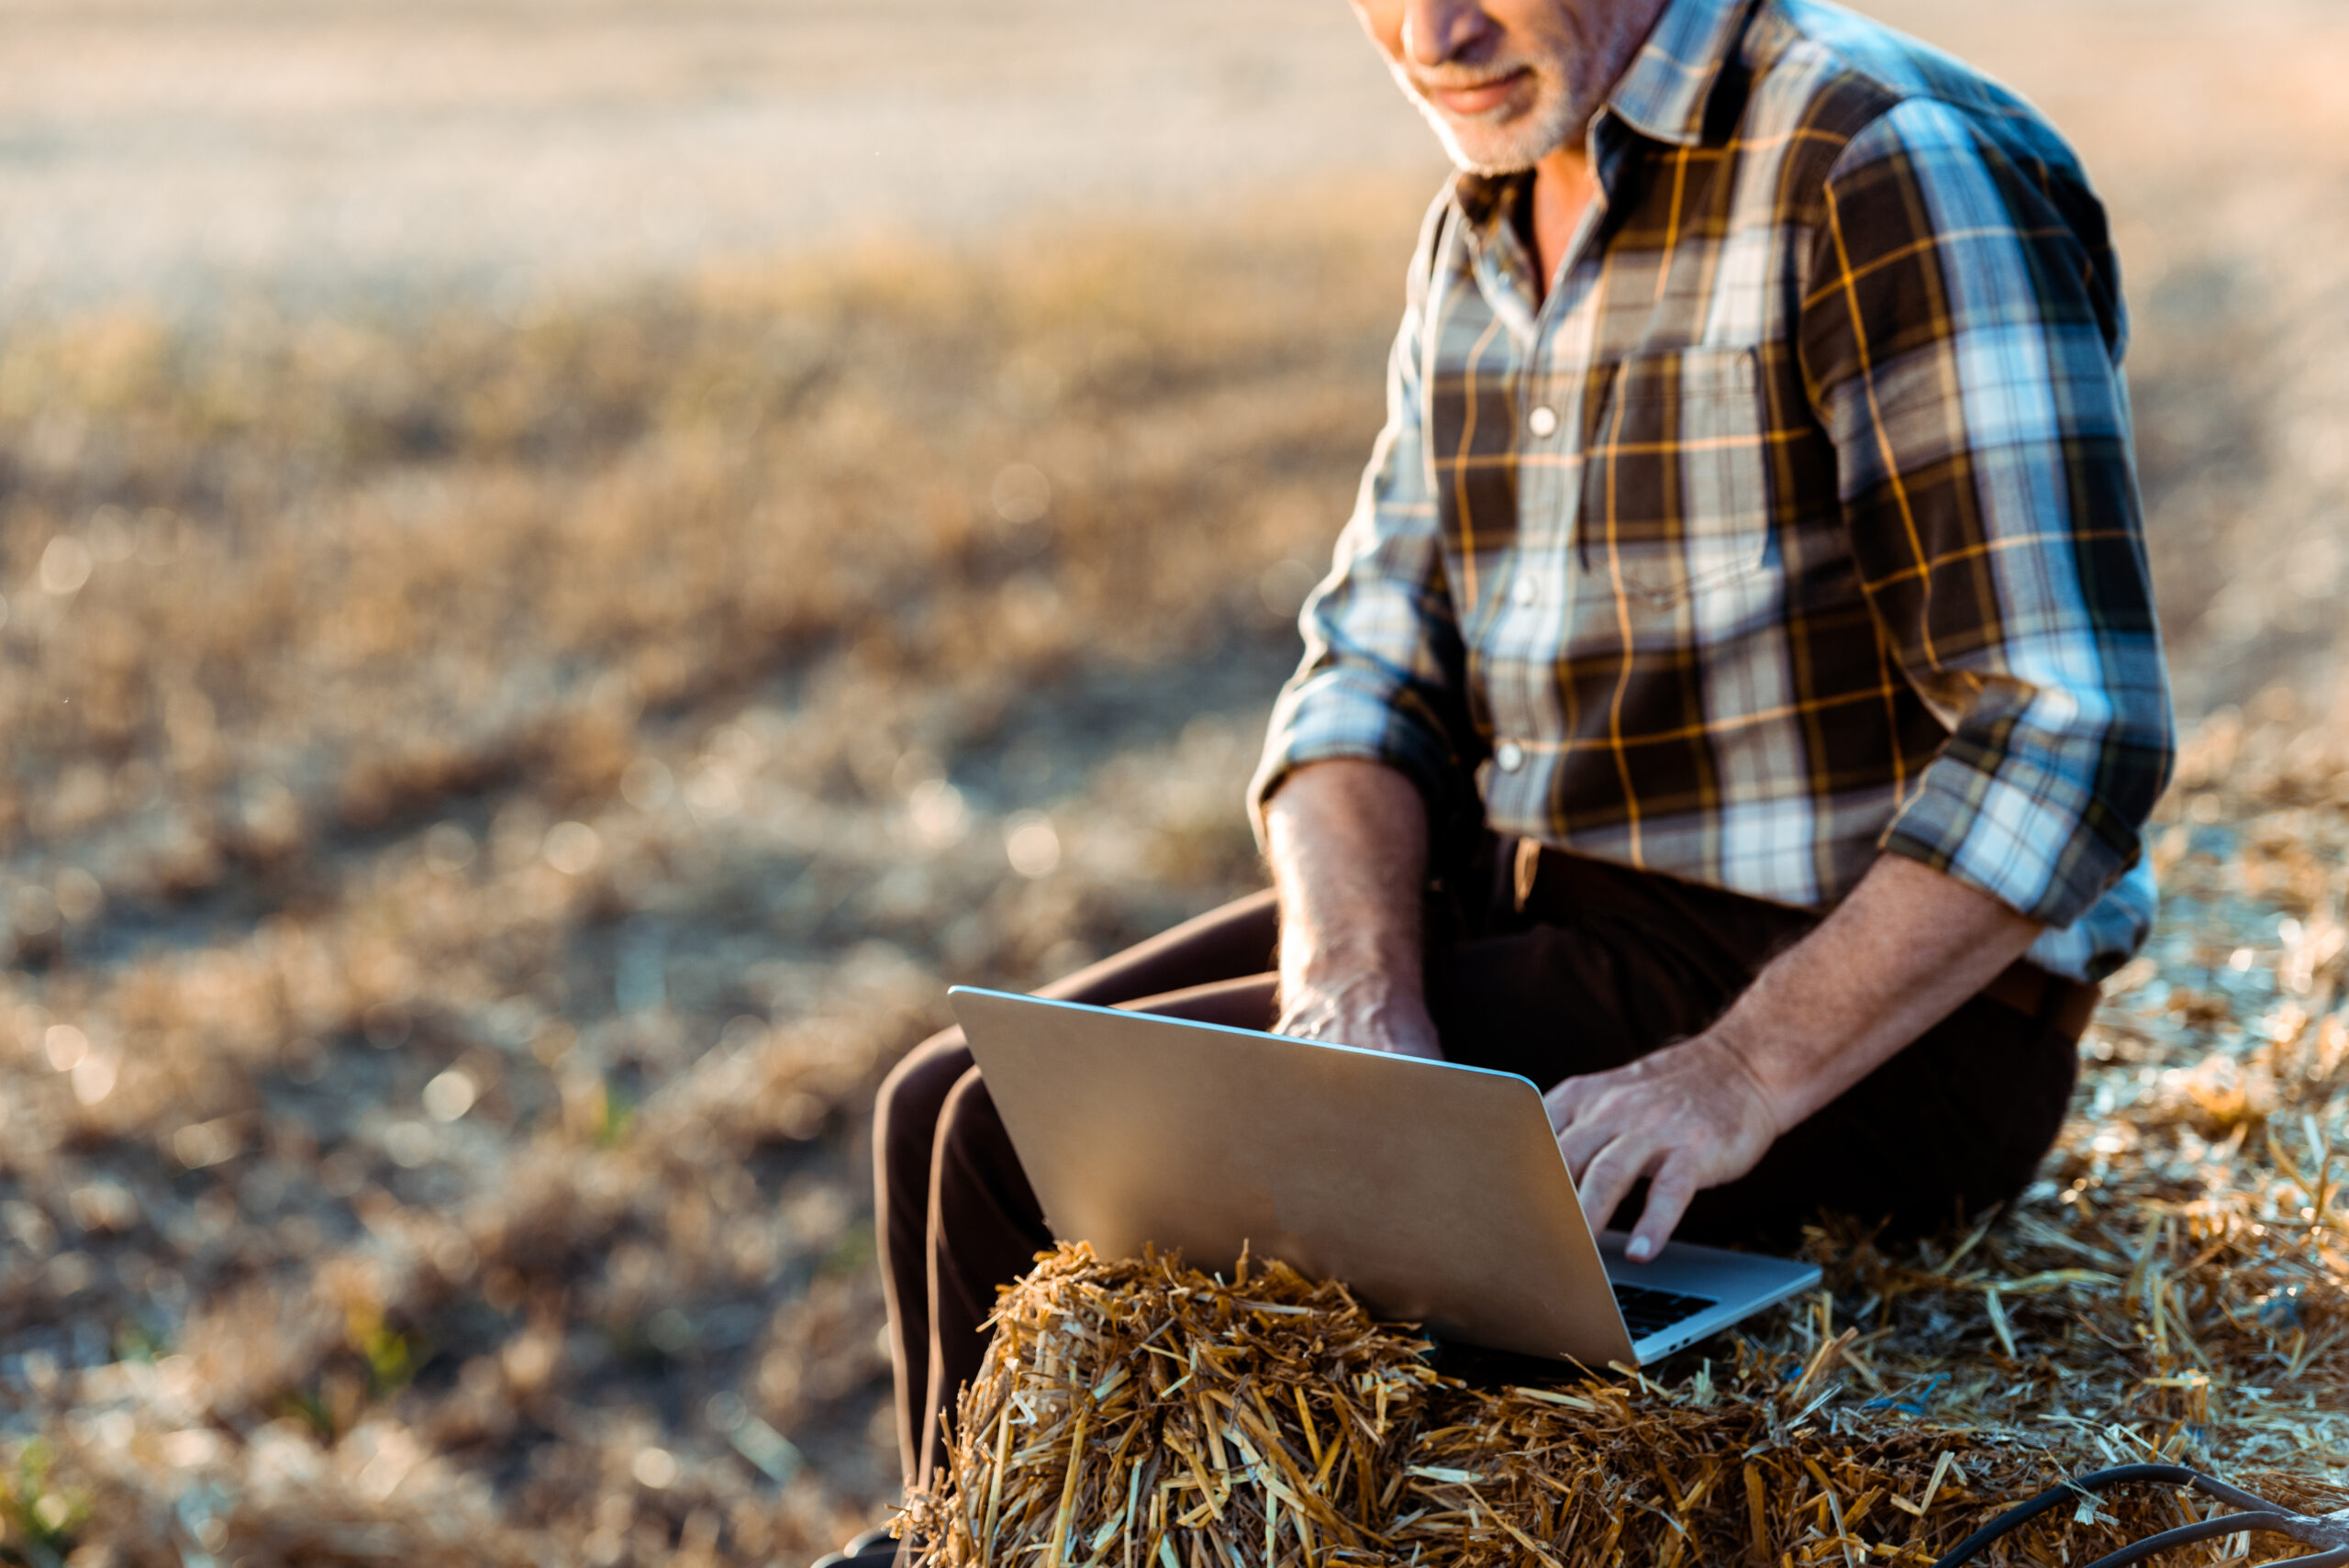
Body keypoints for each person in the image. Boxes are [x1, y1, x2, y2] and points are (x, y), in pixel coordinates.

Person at [840, 0, 2176, 1555]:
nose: (1433, 30)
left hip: (1856, 1004)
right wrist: (1350, 982)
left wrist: (1732, 1076)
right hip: (1549, 889)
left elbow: (2068, 729)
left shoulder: (1881, 160)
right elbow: (1365, 678)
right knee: (942, 1099)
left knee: (1014, 1152)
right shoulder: (1482, 212)